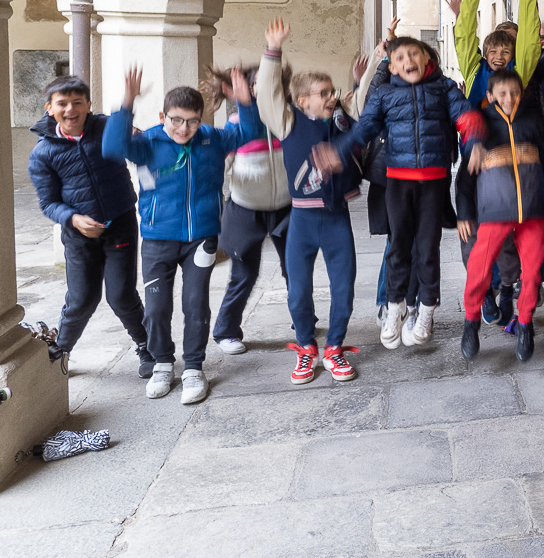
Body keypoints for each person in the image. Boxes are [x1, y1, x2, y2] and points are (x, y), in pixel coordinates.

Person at [318, 34, 485, 350]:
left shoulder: (444, 88)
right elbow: (363, 128)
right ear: (392, 66)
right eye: (400, 57)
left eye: (414, 54)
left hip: (433, 182)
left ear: (426, 58)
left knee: (427, 248)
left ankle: (425, 310)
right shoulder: (383, 94)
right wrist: (337, 153)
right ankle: (395, 307)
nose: (408, 61)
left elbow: (468, 117)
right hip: (398, 182)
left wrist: (474, 142)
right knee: (398, 246)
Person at [103, 66, 258, 404]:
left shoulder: (212, 139)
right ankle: (162, 363)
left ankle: (193, 368)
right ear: (162, 116)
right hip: (158, 238)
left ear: (201, 118)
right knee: (157, 307)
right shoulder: (147, 143)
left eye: (191, 120)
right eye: (175, 120)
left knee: (195, 303)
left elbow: (251, 132)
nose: (183, 128)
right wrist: (126, 102)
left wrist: (243, 101)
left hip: (201, 237)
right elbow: (113, 147)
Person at [257, 20, 367, 384]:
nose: (329, 96)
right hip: (302, 221)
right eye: (322, 92)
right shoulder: (288, 122)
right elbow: (268, 97)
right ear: (303, 101)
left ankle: (334, 347)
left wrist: (359, 80)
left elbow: (365, 114)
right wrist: (272, 51)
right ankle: (306, 347)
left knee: (344, 286)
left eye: (330, 90)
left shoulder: (341, 121)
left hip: (337, 218)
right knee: (298, 290)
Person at [27, 76, 151, 378]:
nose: (71, 109)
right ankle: (61, 352)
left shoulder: (106, 127)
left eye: (77, 102)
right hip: (78, 233)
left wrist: (128, 103)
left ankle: (148, 346)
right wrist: (74, 219)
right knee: (82, 298)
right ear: (50, 108)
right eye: (62, 104)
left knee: (121, 295)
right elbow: (48, 203)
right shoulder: (43, 153)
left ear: (88, 105)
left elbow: (133, 142)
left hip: (119, 223)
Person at [458, 64, 544, 362]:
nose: (510, 98)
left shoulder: (534, 122)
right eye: (502, 93)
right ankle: (471, 322)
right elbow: (465, 175)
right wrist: (464, 212)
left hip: (533, 212)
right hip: (494, 212)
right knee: (479, 269)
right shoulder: (481, 126)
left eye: (514, 92)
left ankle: (525, 324)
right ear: (489, 95)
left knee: (532, 272)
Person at [200, 63, 292, 357]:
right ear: (248, 89)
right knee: (244, 273)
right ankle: (226, 331)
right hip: (245, 208)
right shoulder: (236, 122)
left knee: (296, 270)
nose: (262, 88)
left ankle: (303, 319)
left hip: (286, 207)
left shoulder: (286, 119)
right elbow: (223, 160)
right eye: (256, 84)